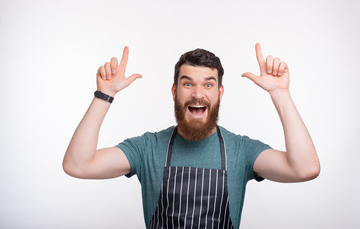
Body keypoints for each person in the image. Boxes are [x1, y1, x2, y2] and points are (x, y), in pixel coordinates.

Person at [63, 43, 320, 228]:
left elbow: (305, 169)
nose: (198, 94)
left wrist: (280, 94)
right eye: (188, 84)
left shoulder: (241, 150)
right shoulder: (147, 148)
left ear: (220, 93)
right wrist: (104, 95)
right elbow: (78, 165)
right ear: (175, 91)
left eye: (208, 84)